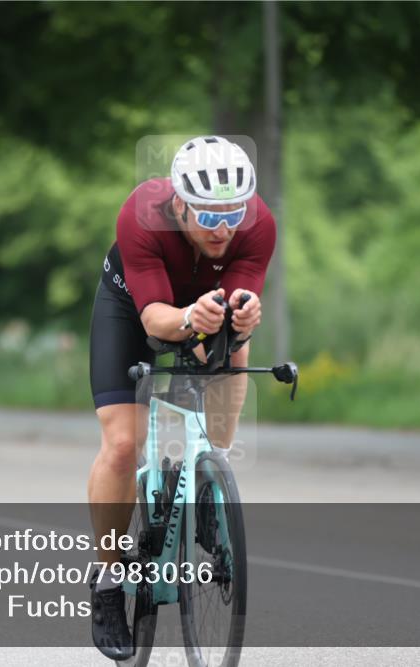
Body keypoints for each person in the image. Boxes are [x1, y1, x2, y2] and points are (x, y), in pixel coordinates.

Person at [87, 136, 276, 659]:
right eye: (209, 216)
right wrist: (191, 317)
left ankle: (212, 474)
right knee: (123, 444)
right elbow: (155, 319)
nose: (222, 229)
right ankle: (108, 579)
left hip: (200, 304)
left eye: (233, 215)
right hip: (133, 307)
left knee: (234, 342)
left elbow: (236, 303)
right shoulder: (142, 214)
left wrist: (241, 316)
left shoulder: (258, 224)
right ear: (178, 205)